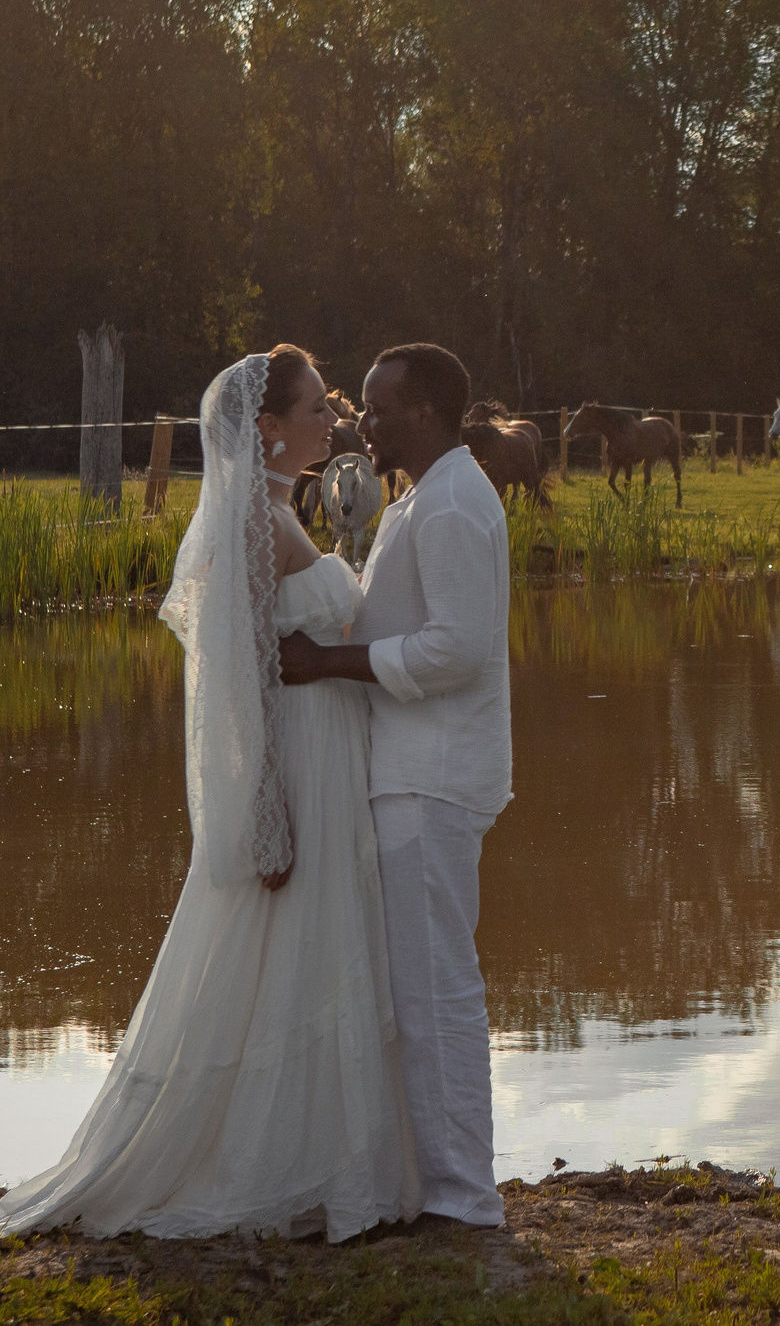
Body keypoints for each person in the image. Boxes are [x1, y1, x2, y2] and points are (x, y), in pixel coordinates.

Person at [0, 346, 420, 1241]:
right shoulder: (252, 525)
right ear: (267, 427)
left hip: (326, 754)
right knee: (285, 944)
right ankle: (278, 1162)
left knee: (314, 948)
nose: (330, 422)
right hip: (297, 764)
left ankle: (322, 1153)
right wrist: (264, 811)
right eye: (314, 410)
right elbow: (240, 683)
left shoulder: (274, 509)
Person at [278, 343, 512, 1228]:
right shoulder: (427, 496)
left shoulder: (451, 502)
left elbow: (456, 649)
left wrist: (327, 661)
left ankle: (463, 1197)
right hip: (416, 775)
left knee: (437, 992)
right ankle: (442, 1182)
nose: (359, 423)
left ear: (422, 412)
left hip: (434, 778)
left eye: (375, 409)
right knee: (423, 990)